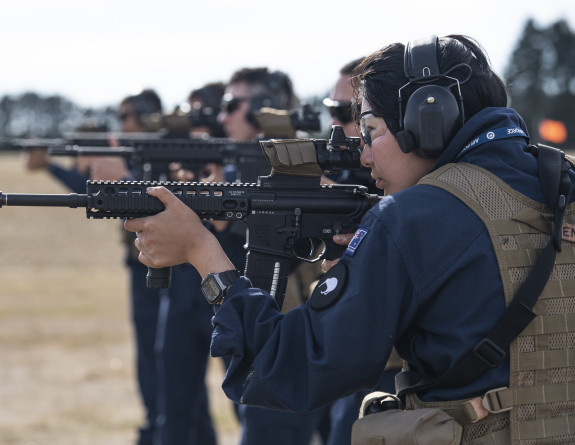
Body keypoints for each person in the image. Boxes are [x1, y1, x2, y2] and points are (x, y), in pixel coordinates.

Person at [124, 34, 575, 444]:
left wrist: (202, 253)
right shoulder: (562, 185)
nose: (362, 152)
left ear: (429, 121)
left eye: (371, 130)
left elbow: (288, 369)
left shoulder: (411, 217)